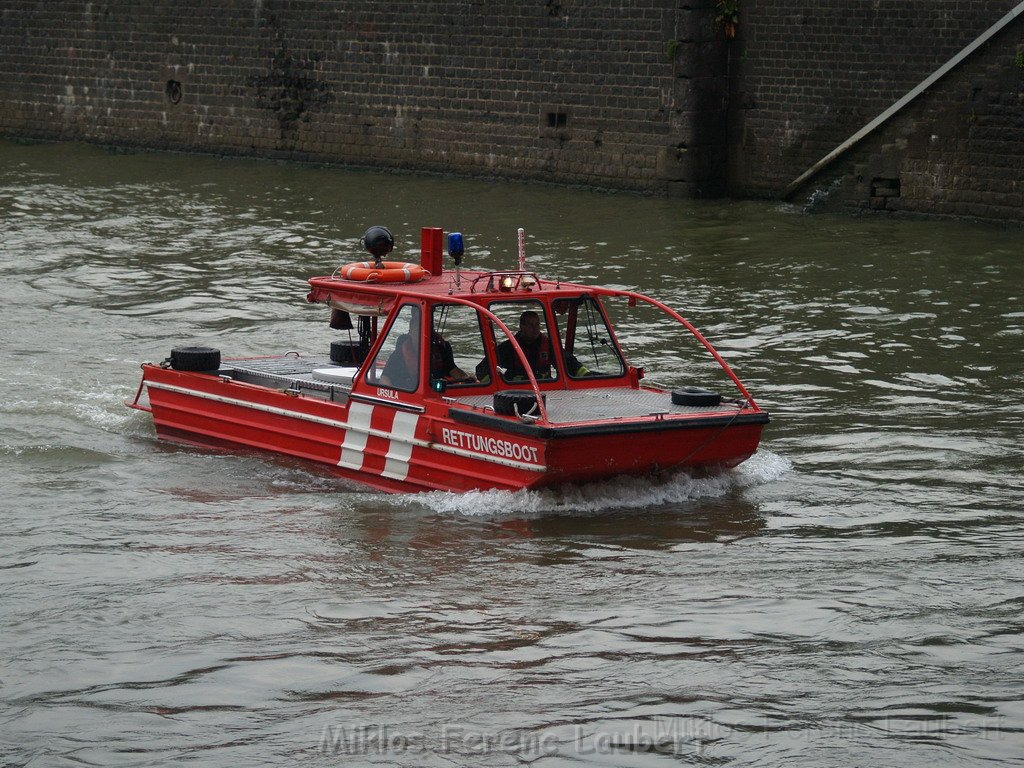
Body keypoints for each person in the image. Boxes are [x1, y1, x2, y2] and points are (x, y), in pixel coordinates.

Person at [486, 310, 590, 382]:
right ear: (521, 326)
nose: (535, 328)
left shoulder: (549, 346)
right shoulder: (508, 348)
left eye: (537, 324)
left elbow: (570, 364)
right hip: (517, 392)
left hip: (546, 389)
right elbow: (483, 370)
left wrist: (589, 376)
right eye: (531, 325)